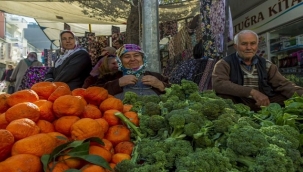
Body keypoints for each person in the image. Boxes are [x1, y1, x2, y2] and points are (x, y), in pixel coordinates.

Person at [212, 30, 303, 112]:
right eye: (244, 44)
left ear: (257, 45)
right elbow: (219, 84)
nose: (249, 47)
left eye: (253, 43)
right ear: (236, 46)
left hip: (263, 103)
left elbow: (284, 85)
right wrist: (252, 92)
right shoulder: (224, 63)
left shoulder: (266, 64)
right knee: (223, 96)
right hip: (239, 104)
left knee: (288, 97)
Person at [92, 44, 170, 99]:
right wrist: (117, 83)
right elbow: (93, 93)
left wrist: (160, 85)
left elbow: (175, 93)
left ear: (143, 58)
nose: (132, 59)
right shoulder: (109, 77)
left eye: (136, 55)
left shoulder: (156, 76)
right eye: (127, 56)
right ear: (120, 61)